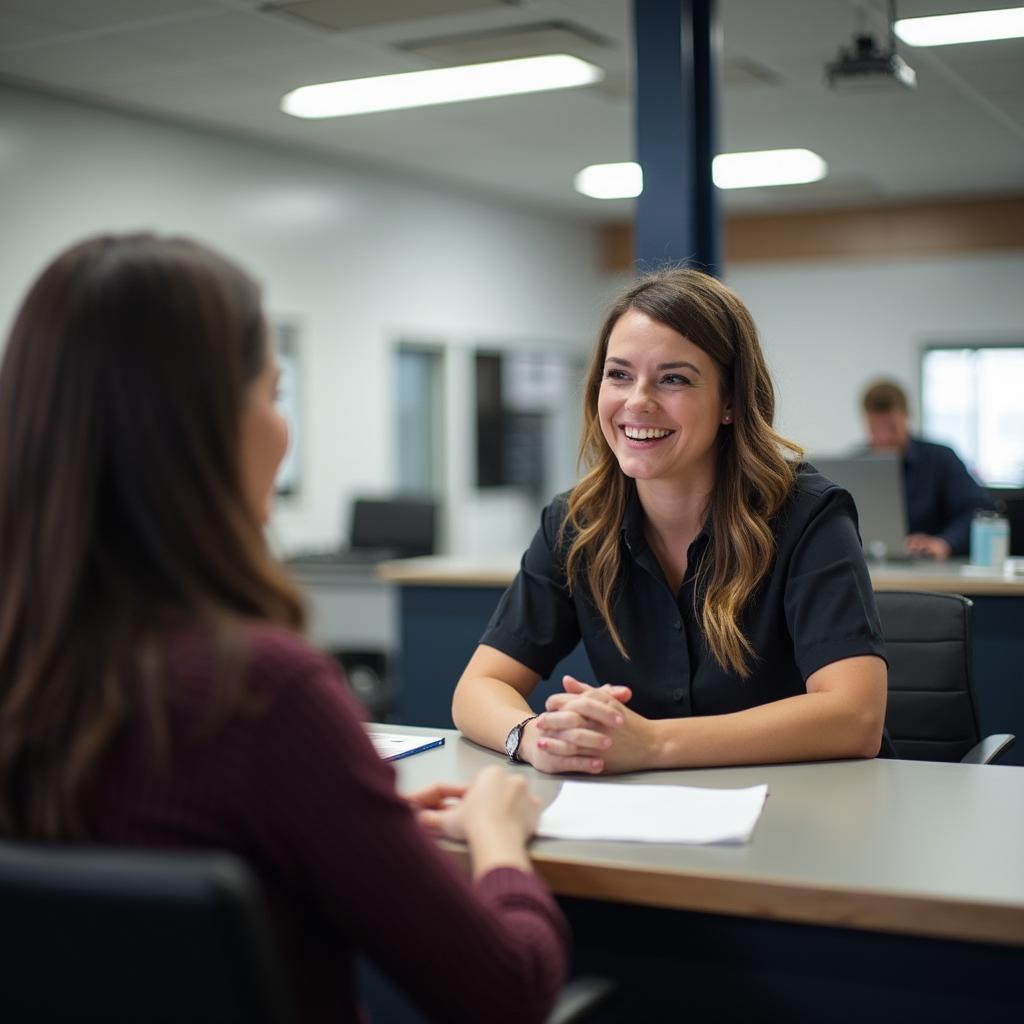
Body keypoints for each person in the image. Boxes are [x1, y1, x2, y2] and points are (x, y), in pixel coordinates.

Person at [0, 234, 567, 1023]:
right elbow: (506, 992)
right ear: (197, 430)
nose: (282, 429)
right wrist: (500, 840)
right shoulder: (258, 693)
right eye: (272, 394)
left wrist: (342, 825)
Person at [452, 268, 888, 775]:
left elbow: (855, 717)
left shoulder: (808, 515)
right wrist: (534, 739)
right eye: (618, 375)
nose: (637, 401)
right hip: (653, 814)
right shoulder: (576, 523)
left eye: (674, 379)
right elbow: (478, 687)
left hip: (809, 810)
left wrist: (654, 744)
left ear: (729, 401)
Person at [861, 379, 993, 559]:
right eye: (875, 429)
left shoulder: (940, 459)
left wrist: (945, 542)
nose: (884, 438)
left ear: (907, 417)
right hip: (871, 566)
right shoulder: (856, 465)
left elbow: (978, 510)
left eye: (892, 428)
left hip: (933, 568)